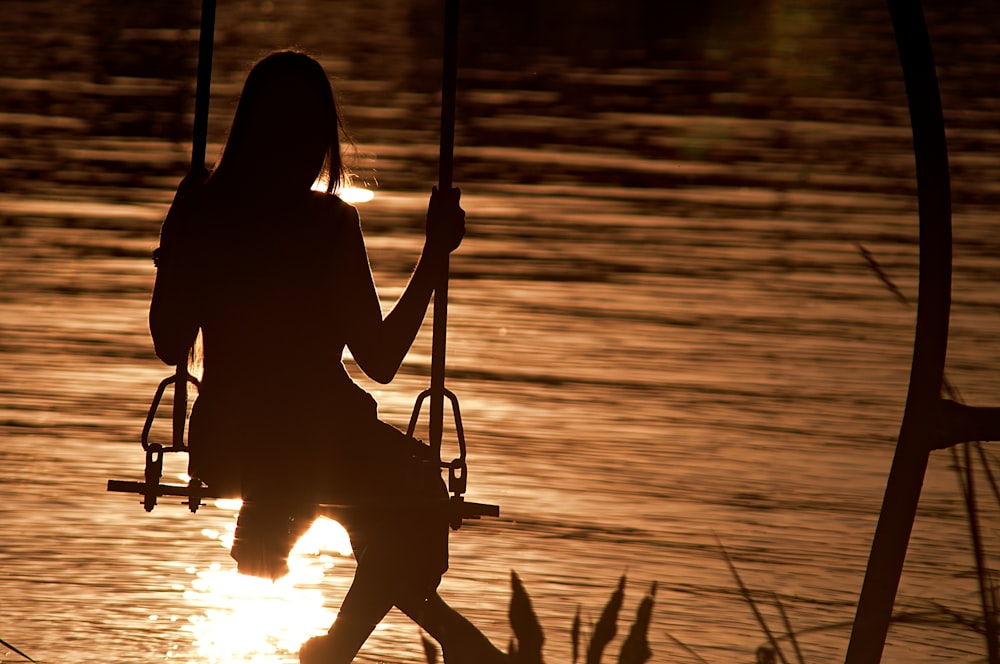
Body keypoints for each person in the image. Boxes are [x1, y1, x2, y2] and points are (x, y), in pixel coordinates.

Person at [149, 50, 506, 664]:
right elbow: (382, 359)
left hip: (230, 438)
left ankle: (343, 635)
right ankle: (341, 648)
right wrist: (435, 255)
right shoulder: (328, 224)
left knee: (388, 518)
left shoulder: (207, 210)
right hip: (321, 437)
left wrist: (177, 241)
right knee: (418, 504)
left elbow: (167, 343)